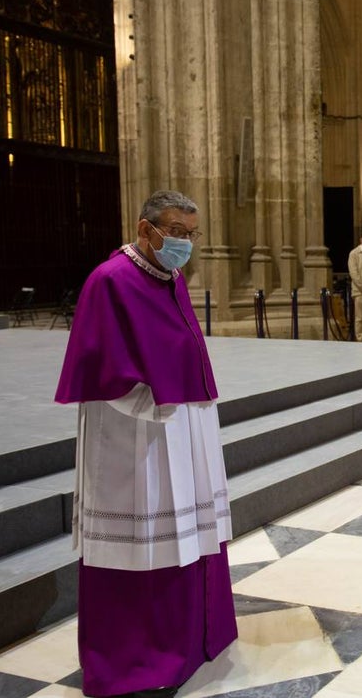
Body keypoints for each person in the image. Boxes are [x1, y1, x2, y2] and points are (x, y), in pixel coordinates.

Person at [55, 190, 237, 698]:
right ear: (145, 228)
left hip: (180, 428)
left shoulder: (169, 278)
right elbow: (98, 366)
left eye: (191, 233)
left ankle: (189, 639)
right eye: (175, 231)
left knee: (184, 531)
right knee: (145, 539)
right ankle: (136, 659)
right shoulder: (110, 280)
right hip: (133, 435)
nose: (184, 243)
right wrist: (154, 406)